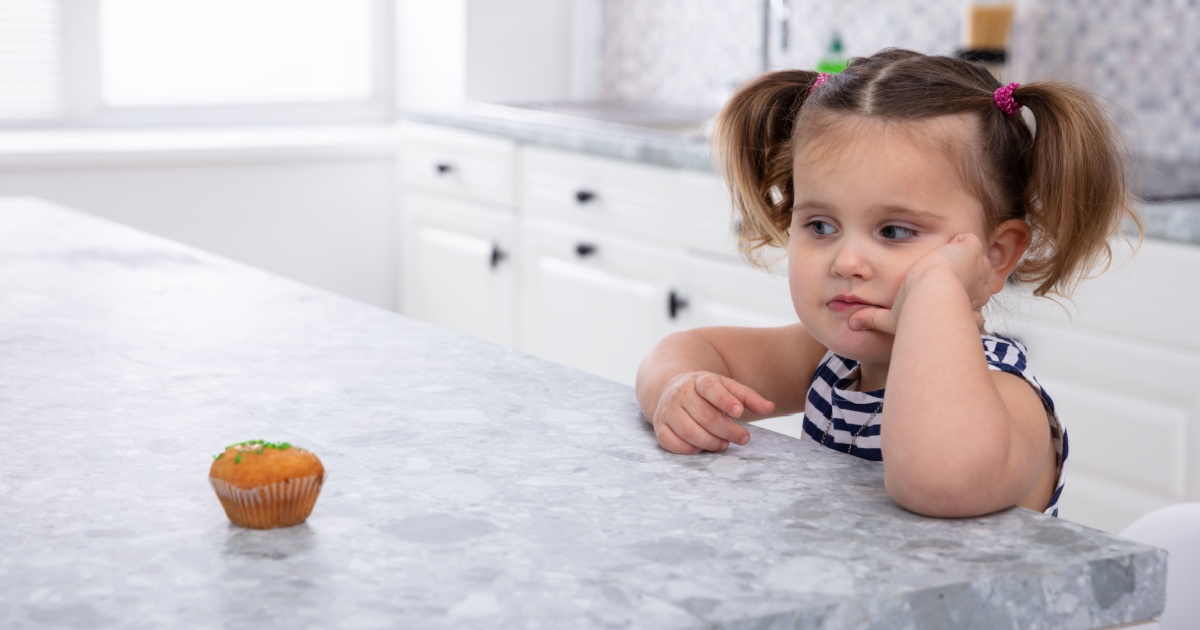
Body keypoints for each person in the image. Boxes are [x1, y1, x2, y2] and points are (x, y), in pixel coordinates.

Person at [635, 48, 1141, 518]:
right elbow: (690, 348)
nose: (847, 260)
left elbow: (940, 482)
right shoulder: (834, 361)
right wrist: (677, 389)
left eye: (895, 231)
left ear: (994, 256)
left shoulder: (1005, 393)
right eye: (820, 226)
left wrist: (936, 290)